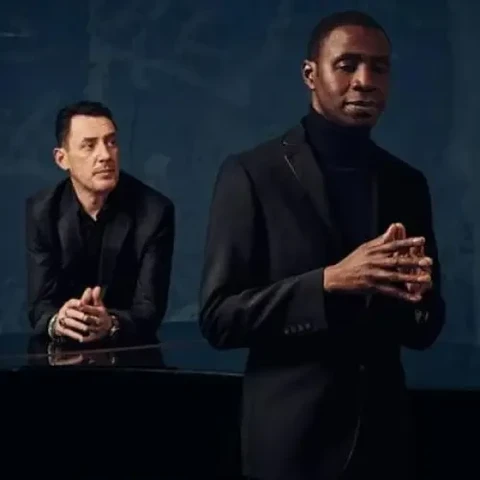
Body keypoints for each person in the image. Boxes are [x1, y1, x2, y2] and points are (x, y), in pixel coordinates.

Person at [199, 10, 445, 480]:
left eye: (379, 67)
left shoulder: (407, 183)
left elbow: (425, 330)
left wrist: (418, 299)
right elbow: (218, 318)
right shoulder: (252, 174)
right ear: (310, 75)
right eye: (347, 65)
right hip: (290, 445)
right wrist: (329, 282)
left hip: (385, 443)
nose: (365, 81)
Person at [26, 100, 175, 343]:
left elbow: (149, 310)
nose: (105, 155)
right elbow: (40, 305)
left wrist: (111, 323)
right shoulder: (42, 211)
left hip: (130, 349)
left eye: (111, 142)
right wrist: (58, 321)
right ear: (62, 159)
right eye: (89, 146)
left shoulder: (154, 211)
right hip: (62, 352)